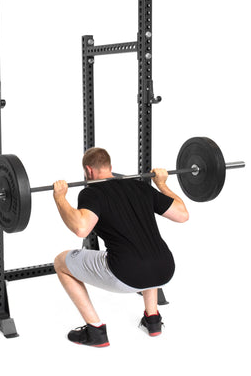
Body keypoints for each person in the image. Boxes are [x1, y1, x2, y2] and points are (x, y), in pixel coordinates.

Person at [53, 147, 189, 347]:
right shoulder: (139, 187)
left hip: (125, 274)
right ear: (109, 166)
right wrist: (162, 185)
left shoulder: (91, 193)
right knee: (143, 244)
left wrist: (60, 198)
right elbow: (182, 214)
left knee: (60, 262)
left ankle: (95, 330)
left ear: (89, 171)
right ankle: (153, 320)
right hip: (165, 268)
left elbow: (81, 228)